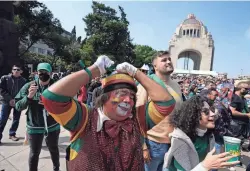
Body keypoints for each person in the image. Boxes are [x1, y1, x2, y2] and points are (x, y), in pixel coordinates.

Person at [41, 55, 175, 170]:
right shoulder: (84, 118)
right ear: (104, 98)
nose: (128, 100)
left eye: (133, 97)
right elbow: (52, 98)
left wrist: (136, 73)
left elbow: (166, 103)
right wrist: (95, 69)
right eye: (122, 94)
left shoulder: (139, 119)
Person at [163, 96, 240, 171]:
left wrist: (223, 160)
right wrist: (205, 166)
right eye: (206, 112)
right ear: (194, 115)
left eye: (212, 110)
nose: (212, 114)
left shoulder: (209, 135)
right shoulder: (180, 140)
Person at [136, 51, 181, 171]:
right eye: (164, 60)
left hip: (173, 143)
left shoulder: (177, 85)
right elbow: (137, 117)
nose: (168, 62)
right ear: (155, 66)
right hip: (153, 144)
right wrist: (143, 146)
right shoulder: (146, 84)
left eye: (169, 59)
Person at [15, 63, 60, 171]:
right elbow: (18, 106)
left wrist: (50, 104)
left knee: (54, 149)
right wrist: (29, 96)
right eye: (41, 72)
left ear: (51, 73)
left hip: (52, 125)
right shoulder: (29, 86)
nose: (43, 74)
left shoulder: (57, 86)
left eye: (46, 72)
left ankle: (56, 168)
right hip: (35, 126)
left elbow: (66, 104)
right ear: (37, 73)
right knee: (34, 153)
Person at [0, 64, 26, 143]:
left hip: (17, 103)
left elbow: (24, 92)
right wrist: (10, 99)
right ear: (12, 70)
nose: (16, 71)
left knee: (16, 119)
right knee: (3, 119)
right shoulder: (5, 78)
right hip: (6, 102)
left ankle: (12, 134)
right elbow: (1, 89)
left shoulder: (24, 81)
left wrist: (17, 100)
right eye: (14, 69)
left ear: (21, 71)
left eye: (18, 70)